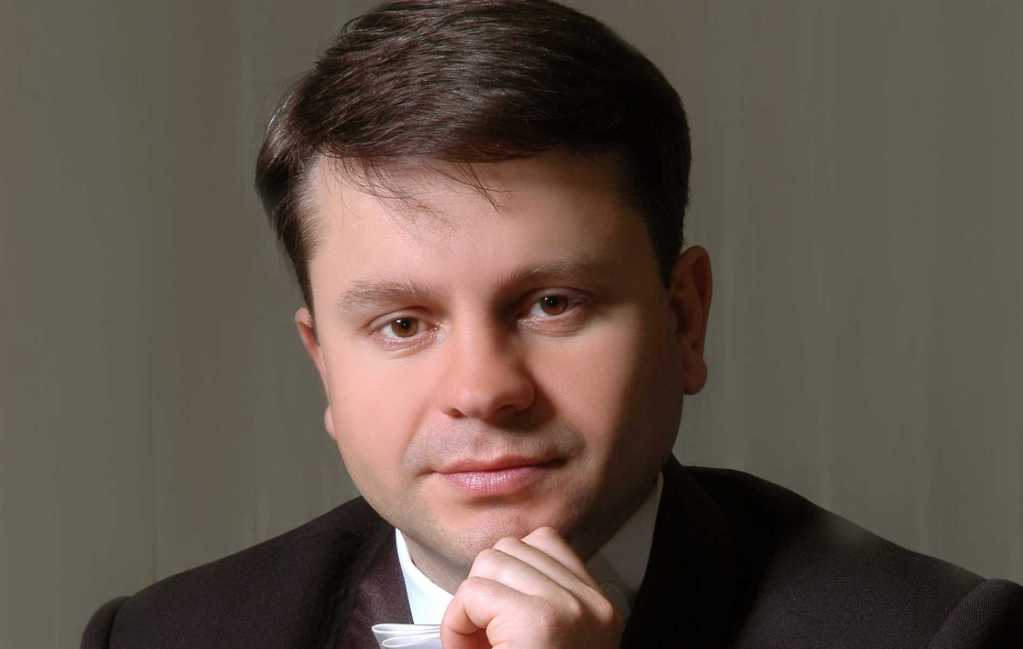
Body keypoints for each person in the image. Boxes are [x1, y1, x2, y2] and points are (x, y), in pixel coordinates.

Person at [82, 1, 1022, 648]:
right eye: (402, 323)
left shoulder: (931, 634)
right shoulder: (163, 636)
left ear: (683, 319)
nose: (482, 390)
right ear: (323, 363)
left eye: (550, 303)